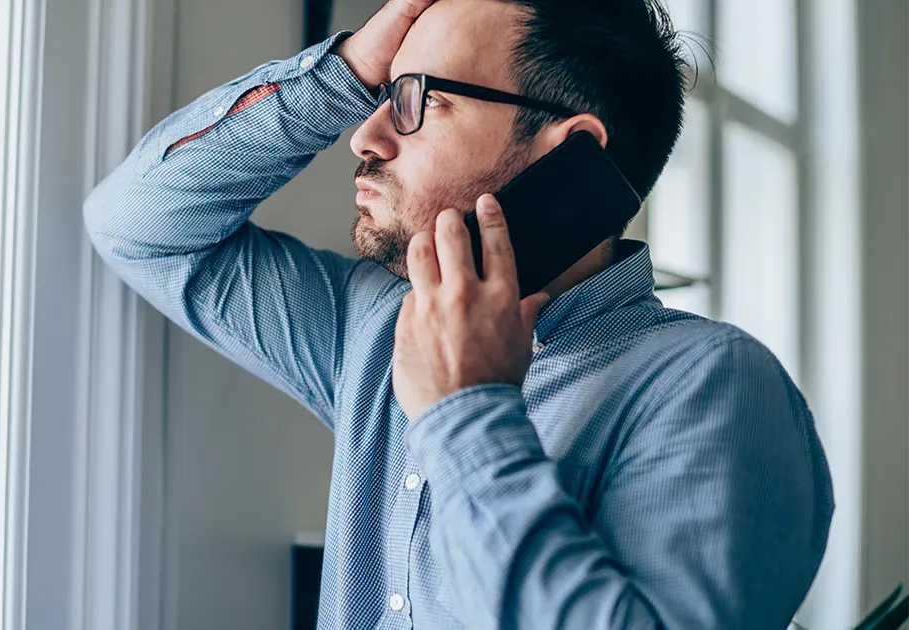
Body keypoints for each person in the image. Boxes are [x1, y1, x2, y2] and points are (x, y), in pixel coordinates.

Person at [83, 0, 834, 627]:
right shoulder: (375, 329)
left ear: (566, 152)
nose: (365, 135)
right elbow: (141, 223)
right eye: (380, 96)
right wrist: (340, 76)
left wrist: (466, 411)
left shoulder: (715, 387)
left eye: (417, 99)